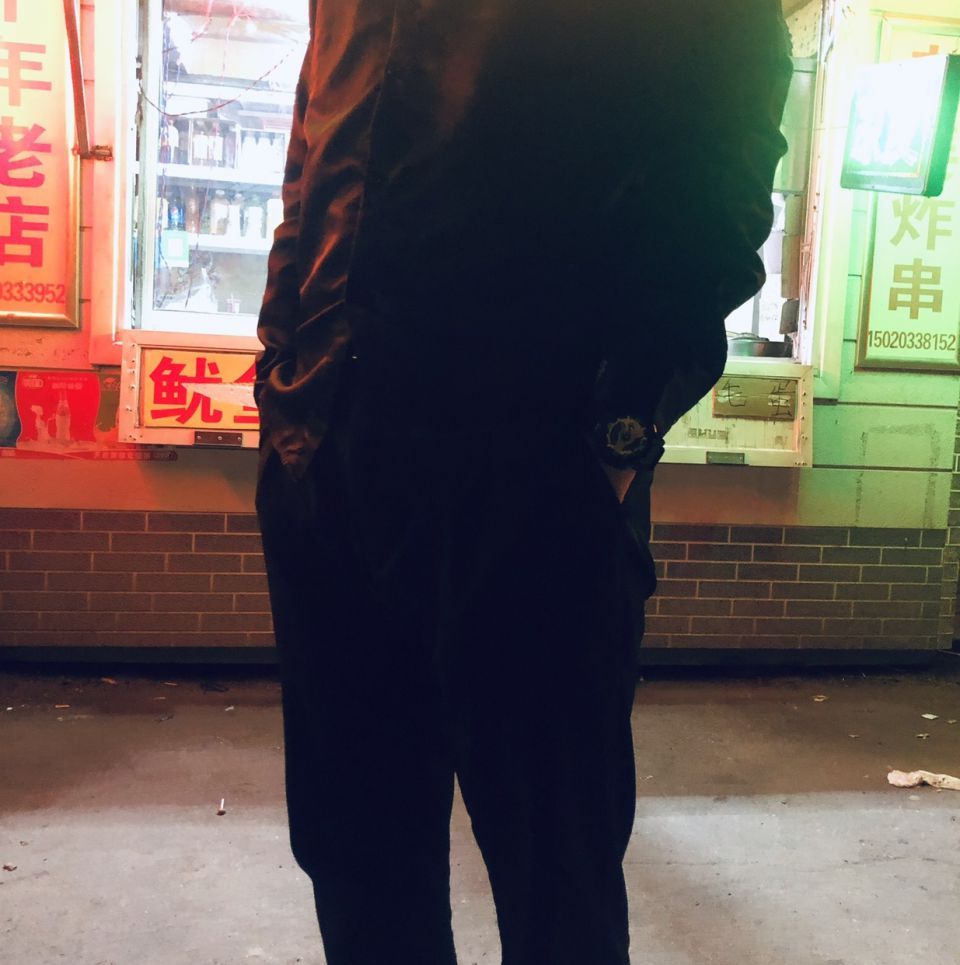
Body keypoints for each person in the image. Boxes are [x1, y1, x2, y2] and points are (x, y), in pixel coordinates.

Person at [254, 1, 792, 962]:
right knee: (354, 852)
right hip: (326, 451)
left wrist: (621, 426)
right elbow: (312, 165)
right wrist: (283, 373)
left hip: (534, 465)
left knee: (556, 874)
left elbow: (723, 173)